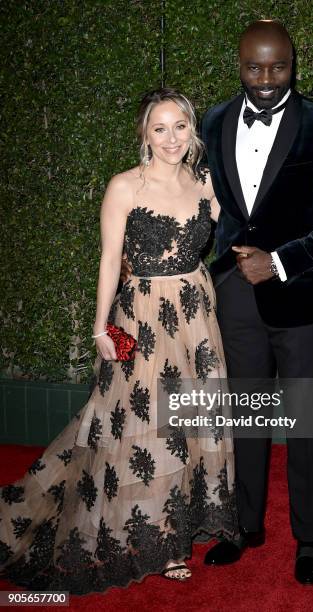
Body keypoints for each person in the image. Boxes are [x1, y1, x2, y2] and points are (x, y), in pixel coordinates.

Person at [0, 88, 238, 593]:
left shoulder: (207, 185)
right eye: (160, 128)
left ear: (192, 130)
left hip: (196, 315)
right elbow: (110, 261)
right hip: (143, 320)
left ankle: (172, 536)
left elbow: (245, 226)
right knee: (141, 424)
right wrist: (99, 327)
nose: (171, 138)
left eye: (179, 126)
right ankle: (148, 535)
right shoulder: (125, 187)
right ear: (144, 135)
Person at [201, 19, 313, 585]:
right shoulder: (215, 120)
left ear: (292, 65)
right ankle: (246, 525)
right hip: (235, 298)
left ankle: (309, 539)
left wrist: (279, 261)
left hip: (300, 301)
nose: (267, 79)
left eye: (279, 68)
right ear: (239, 64)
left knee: (305, 424)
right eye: (255, 67)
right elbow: (214, 207)